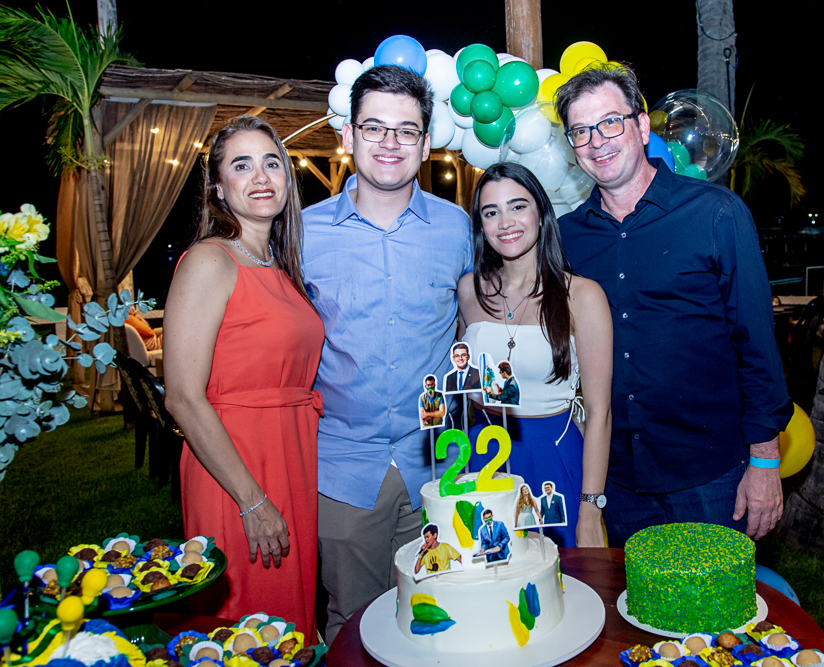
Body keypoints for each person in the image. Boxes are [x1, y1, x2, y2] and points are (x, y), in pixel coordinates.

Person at [554, 64, 793, 547]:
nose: (597, 140)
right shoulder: (565, 238)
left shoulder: (715, 213)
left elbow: (756, 344)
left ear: (642, 127)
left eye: (609, 122)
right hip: (615, 483)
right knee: (630, 620)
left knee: (717, 621)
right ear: (572, 148)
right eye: (581, 131)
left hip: (712, 477)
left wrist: (765, 462)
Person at [302, 64, 473, 645]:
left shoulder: (458, 229)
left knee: (441, 619)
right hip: (346, 471)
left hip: (442, 467)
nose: (390, 142)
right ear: (347, 137)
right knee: (352, 627)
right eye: (374, 127)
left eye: (406, 130)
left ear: (426, 144)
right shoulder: (302, 234)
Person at [163, 116, 323, 637]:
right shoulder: (209, 261)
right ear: (218, 186)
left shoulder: (279, 266)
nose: (260, 176)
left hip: (290, 455)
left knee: (288, 621)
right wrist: (250, 499)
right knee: (245, 627)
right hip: (235, 467)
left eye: (271, 162)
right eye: (241, 164)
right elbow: (184, 397)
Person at [459, 162, 613, 549]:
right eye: (491, 212)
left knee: (565, 592)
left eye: (517, 206)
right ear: (481, 225)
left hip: (555, 460)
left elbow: (599, 413)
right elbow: (463, 388)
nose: (505, 222)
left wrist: (591, 510)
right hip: (483, 457)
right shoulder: (468, 290)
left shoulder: (583, 295)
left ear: (541, 214)